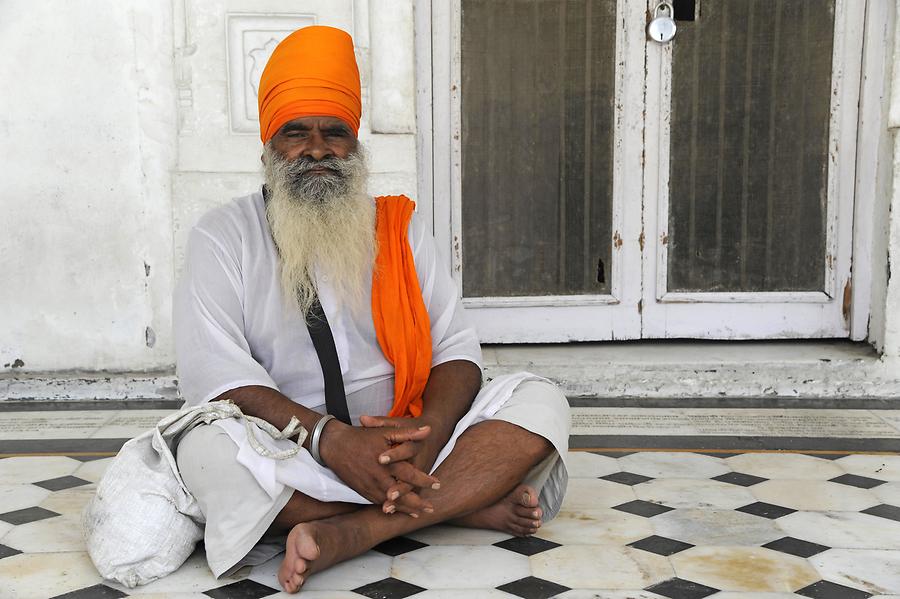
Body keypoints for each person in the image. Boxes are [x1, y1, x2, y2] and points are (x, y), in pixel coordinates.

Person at [173, 25, 570, 594]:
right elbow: (217, 375)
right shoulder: (223, 236)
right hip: (293, 445)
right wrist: (331, 441)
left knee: (542, 400)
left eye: (334, 133)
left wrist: (428, 439)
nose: (316, 150)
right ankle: (452, 504)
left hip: (414, 438)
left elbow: (456, 352)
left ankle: (354, 531)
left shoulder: (398, 228)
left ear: (354, 144)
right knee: (208, 456)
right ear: (268, 145)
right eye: (295, 134)